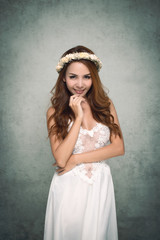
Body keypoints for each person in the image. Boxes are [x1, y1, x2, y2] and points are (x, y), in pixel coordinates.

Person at [43, 45, 125, 240]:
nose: (80, 84)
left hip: (100, 184)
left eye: (86, 77)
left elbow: (118, 147)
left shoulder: (106, 105)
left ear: (94, 78)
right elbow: (62, 159)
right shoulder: (54, 113)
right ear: (63, 77)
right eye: (73, 77)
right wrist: (78, 118)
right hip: (69, 186)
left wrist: (77, 159)